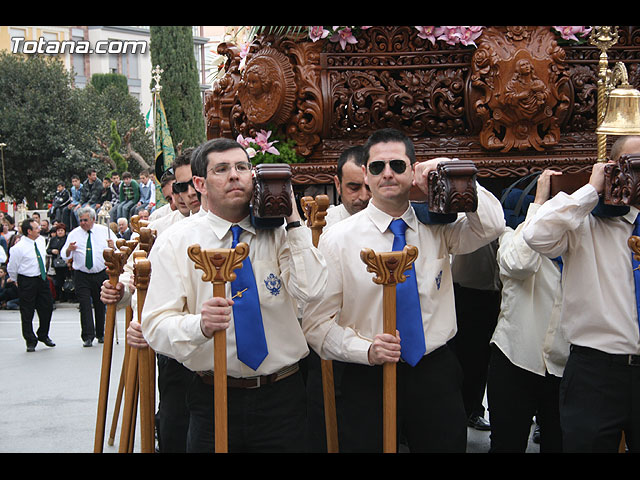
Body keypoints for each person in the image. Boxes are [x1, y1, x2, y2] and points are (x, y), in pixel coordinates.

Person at [302, 128, 505, 452]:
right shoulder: (338, 239)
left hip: (433, 371)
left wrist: (448, 167)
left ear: (413, 171)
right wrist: (364, 350)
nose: (387, 173)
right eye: (377, 167)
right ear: (366, 176)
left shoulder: (438, 227)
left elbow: (492, 225)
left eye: (397, 165)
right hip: (366, 375)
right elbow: (316, 324)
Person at [138, 138, 327, 453]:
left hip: (282, 395)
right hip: (212, 396)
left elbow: (312, 294)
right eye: (222, 169)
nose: (235, 176)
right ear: (200, 183)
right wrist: (199, 326)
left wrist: (293, 221)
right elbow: (155, 326)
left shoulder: (281, 235)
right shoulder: (176, 242)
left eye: (242, 167)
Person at [522, 135, 640, 452]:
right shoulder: (583, 221)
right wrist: (590, 190)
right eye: (632, 166)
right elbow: (535, 235)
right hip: (597, 372)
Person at [100, 148, 201, 453]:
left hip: (221, 347)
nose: (186, 196)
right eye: (179, 189)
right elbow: (135, 276)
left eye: (191, 186)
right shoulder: (160, 229)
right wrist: (120, 294)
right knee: (174, 426)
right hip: (174, 348)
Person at [487, 169, 568, 453]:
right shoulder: (512, 235)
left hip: (565, 365)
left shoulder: (578, 242)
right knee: (506, 444)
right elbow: (519, 265)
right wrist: (540, 206)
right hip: (515, 357)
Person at [449, 242, 501, 432]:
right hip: (467, 289)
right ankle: (459, 414)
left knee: (484, 358)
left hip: (498, 291)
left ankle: (474, 410)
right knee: (463, 358)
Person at [61, 206, 117, 347]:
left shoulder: (104, 231)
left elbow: (117, 248)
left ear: (92, 219)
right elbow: (64, 254)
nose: (83, 223)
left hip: (100, 273)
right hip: (82, 274)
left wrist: (113, 245)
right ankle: (87, 336)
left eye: (85, 220)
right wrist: (69, 249)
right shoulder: (74, 234)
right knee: (85, 304)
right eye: (80, 220)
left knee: (100, 304)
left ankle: (100, 333)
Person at [7, 217, 56, 352]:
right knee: (27, 311)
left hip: (41, 278)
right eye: (36, 228)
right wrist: (15, 279)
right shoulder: (18, 248)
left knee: (47, 307)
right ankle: (30, 339)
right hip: (27, 279)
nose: (39, 229)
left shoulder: (40, 240)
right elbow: (12, 266)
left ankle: (43, 334)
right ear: (29, 231)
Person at [326, 145, 371, 227]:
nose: (364, 197)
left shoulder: (396, 223)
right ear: (338, 185)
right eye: (354, 188)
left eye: (370, 188)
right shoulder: (323, 225)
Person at [47, 223, 70, 302]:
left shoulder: (67, 239)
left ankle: (68, 296)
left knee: (67, 279)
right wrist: (52, 251)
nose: (60, 232)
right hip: (56, 263)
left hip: (66, 262)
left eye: (61, 230)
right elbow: (48, 250)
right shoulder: (53, 239)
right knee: (58, 280)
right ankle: (60, 296)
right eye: (58, 230)